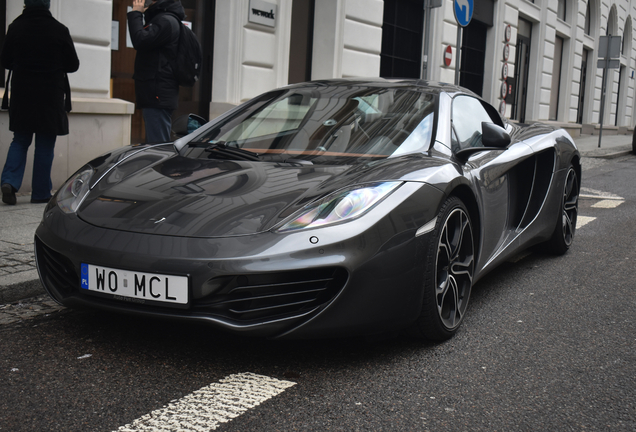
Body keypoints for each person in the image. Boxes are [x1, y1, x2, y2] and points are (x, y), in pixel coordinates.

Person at [0, 0, 80, 205]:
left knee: (20, 140)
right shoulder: (59, 29)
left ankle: (9, 182)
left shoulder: (15, 27)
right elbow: (73, 64)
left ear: (27, 4)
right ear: (47, 5)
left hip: (22, 92)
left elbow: (5, 60)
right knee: (45, 143)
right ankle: (40, 193)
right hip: (49, 95)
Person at [127, 0, 184, 144]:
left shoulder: (166, 21)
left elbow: (140, 40)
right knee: (156, 144)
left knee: (158, 146)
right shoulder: (163, 20)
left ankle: (161, 167)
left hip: (158, 93)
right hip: (157, 92)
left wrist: (136, 13)